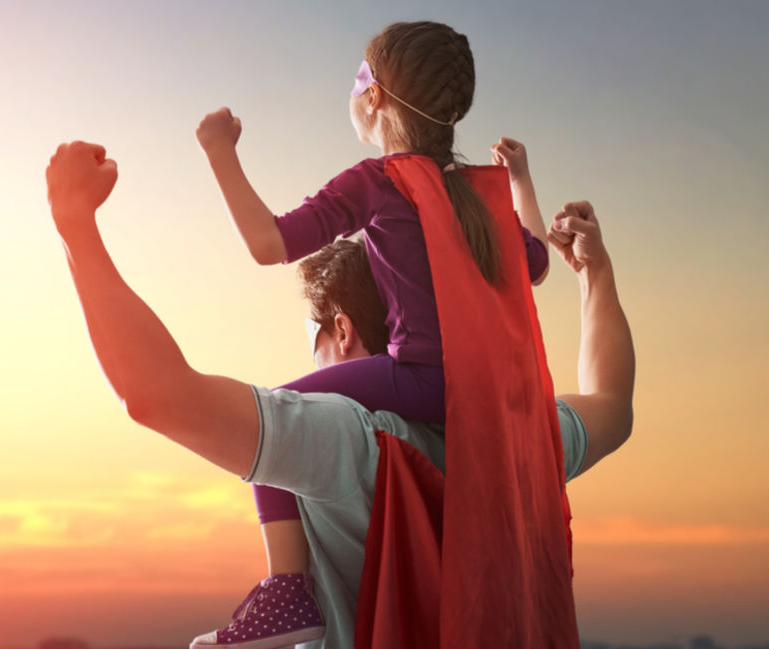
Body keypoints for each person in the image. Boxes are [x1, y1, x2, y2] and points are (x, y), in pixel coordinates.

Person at [45, 141, 634, 649]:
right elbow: (611, 404)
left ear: (344, 329)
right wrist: (594, 274)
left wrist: (75, 224)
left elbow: (156, 394)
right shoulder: (522, 435)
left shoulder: (344, 440)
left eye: (314, 333)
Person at [195, 21, 550, 645]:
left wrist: (219, 151)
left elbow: (267, 243)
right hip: (491, 393)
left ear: (376, 95)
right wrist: (519, 180)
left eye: (360, 76)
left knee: (272, 417)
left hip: (420, 379)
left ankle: (287, 588)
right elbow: (538, 264)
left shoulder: (380, 181)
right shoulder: (475, 193)